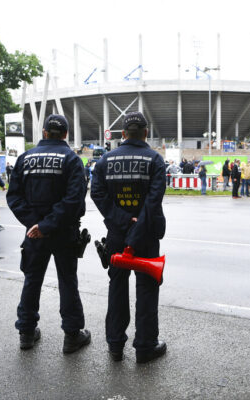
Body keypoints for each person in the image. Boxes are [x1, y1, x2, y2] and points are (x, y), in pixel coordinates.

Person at [6, 114, 90, 353]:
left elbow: (14, 197)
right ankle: (72, 335)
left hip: (34, 234)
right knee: (67, 281)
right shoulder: (72, 159)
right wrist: (49, 224)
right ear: (65, 134)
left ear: (44, 133)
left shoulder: (25, 158)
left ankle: (26, 332)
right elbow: (74, 199)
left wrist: (36, 225)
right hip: (63, 231)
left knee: (32, 279)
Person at [91, 111, 167, 363]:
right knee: (146, 289)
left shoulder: (104, 161)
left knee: (117, 286)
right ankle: (145, 347)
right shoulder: (155, 160)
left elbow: (97, 195)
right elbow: (152, 202)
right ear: (146, 133)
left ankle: (115, 345)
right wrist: (137, 228)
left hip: (116, 234)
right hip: (145, 236)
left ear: (122, 134)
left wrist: (123, 222)